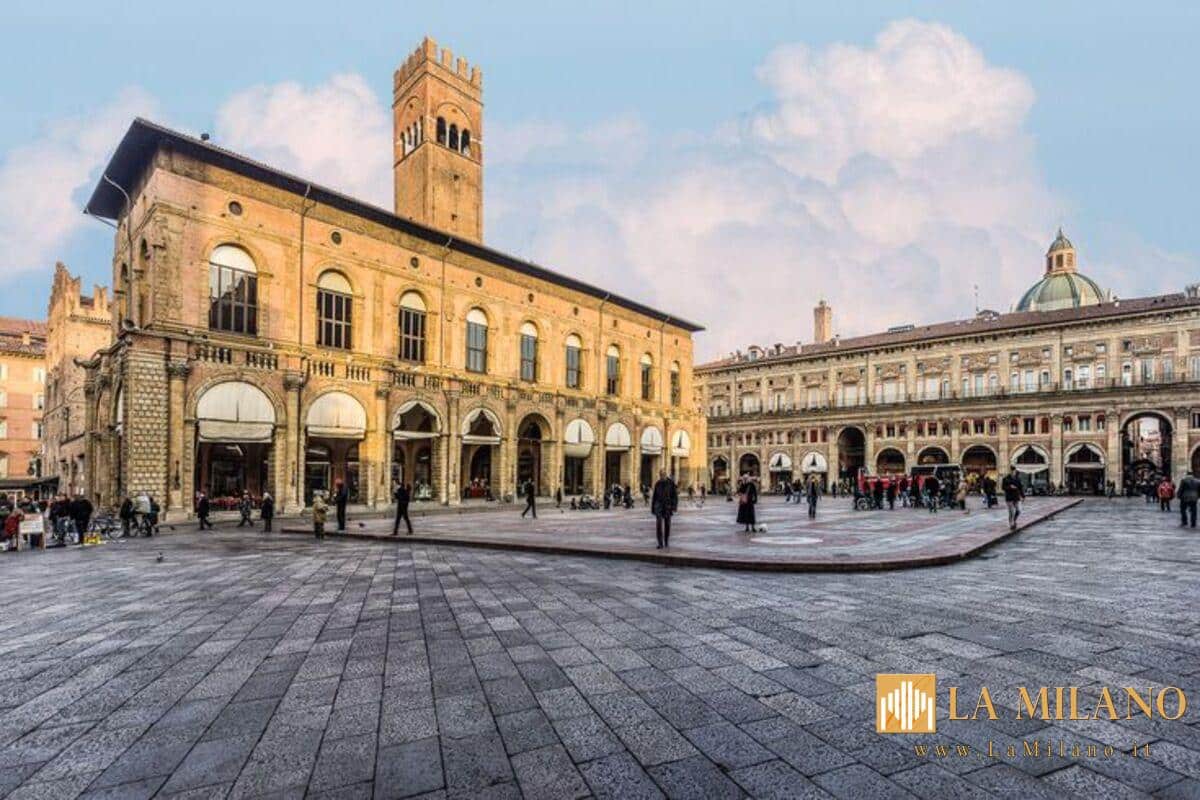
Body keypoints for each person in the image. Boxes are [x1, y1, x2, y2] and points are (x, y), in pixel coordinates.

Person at [651, 470, 678, 549]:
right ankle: (660, 543)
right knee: (658, 524)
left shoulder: (671, 483)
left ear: (666, 475)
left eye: (663, 475)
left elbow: (675, 496)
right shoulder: (657, 483)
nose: (661, 476)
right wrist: (653, 508)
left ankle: (666, 541)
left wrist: (674, 507)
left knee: (667, 524)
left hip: (667, 506)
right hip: (658, 506)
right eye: (660, 475)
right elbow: (654, 496)